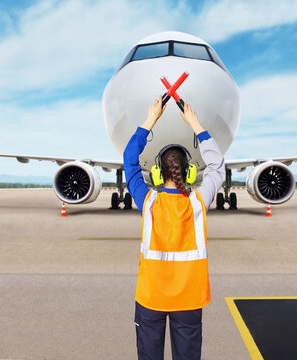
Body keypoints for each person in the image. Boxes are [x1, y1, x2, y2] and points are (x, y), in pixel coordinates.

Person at [123, 95, 225, 360]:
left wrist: (150, 119)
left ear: (158, 173)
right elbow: (217, 166)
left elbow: (129, 160)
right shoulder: (198, 203)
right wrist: (196, 125)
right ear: (189, 172)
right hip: (189, 298)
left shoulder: (148, 201)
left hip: (151, 297)